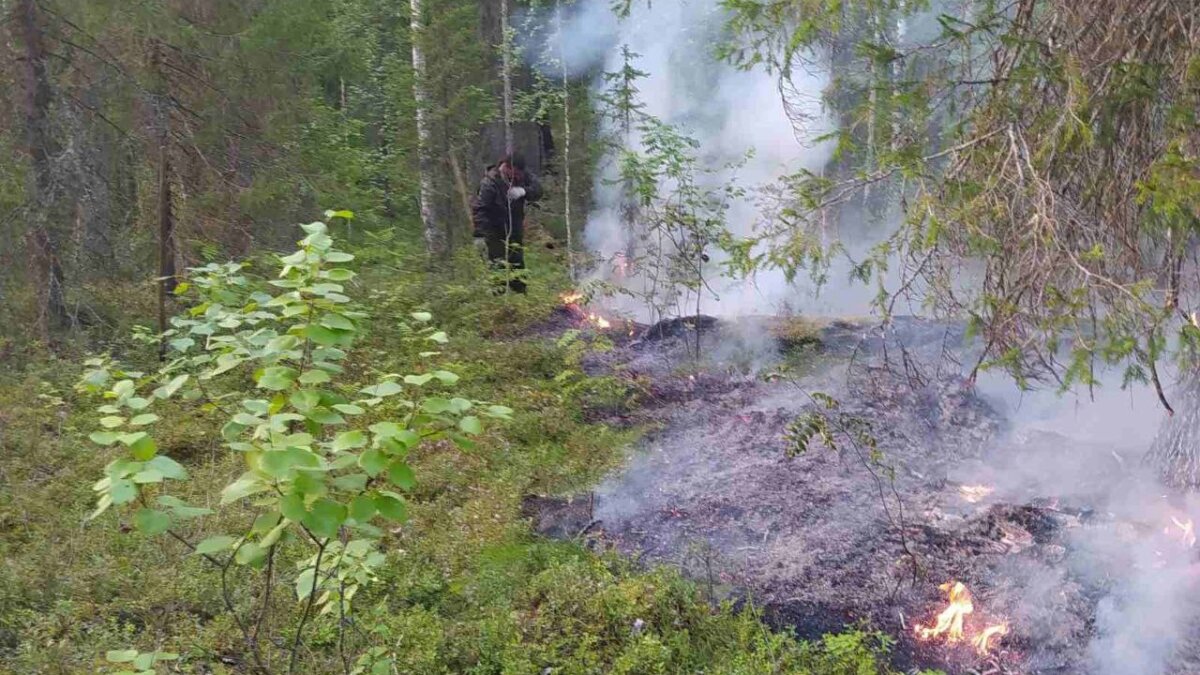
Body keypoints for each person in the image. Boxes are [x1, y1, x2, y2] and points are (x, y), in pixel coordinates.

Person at [472, 152, 542, 293]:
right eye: (514, 174)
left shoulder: (522, 175)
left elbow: (538, 190)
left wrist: (524, 191)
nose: (517, 178)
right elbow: (480, 210)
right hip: (495, 233)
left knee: (518, 267)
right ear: (507, 167)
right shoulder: (489, 183)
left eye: (519, 175)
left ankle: (521, 300)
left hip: (515, 230)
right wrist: (479, 235)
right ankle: (500, 303)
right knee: (498, 268)